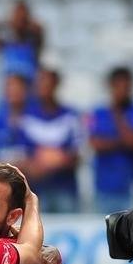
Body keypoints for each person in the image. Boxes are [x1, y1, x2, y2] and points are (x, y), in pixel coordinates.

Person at [88, 66, 133, 214]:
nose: (122, 90)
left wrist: (117, 114)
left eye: (126, 86)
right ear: (111, 86)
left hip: (131, 186)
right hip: (103, 187)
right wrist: (121, 143)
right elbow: (95, 144)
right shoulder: (97, 113)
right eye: (118, 86)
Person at [24, 67, 81, 213]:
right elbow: (21, 153)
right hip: (34, 192)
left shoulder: (70, 115)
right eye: (41, 83)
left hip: (64, 189)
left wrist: (55, 160)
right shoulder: (26, 116)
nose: (44, 87)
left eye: (48, 83)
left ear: (56, 84)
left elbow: (77, 155)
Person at [0, 0, 43, 81]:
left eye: (23, 17)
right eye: (16, 15)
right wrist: (5, 22)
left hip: (29, 91)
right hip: (8, 91)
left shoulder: (33, 42)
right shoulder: (4, 44)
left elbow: (39, 28)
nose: (20, 19)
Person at [0, 73, 33, 165]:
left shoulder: (35, 119)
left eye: (17, 87)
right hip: (1, 173)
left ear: (25, 91)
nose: (13, 91)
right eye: (10, 87)